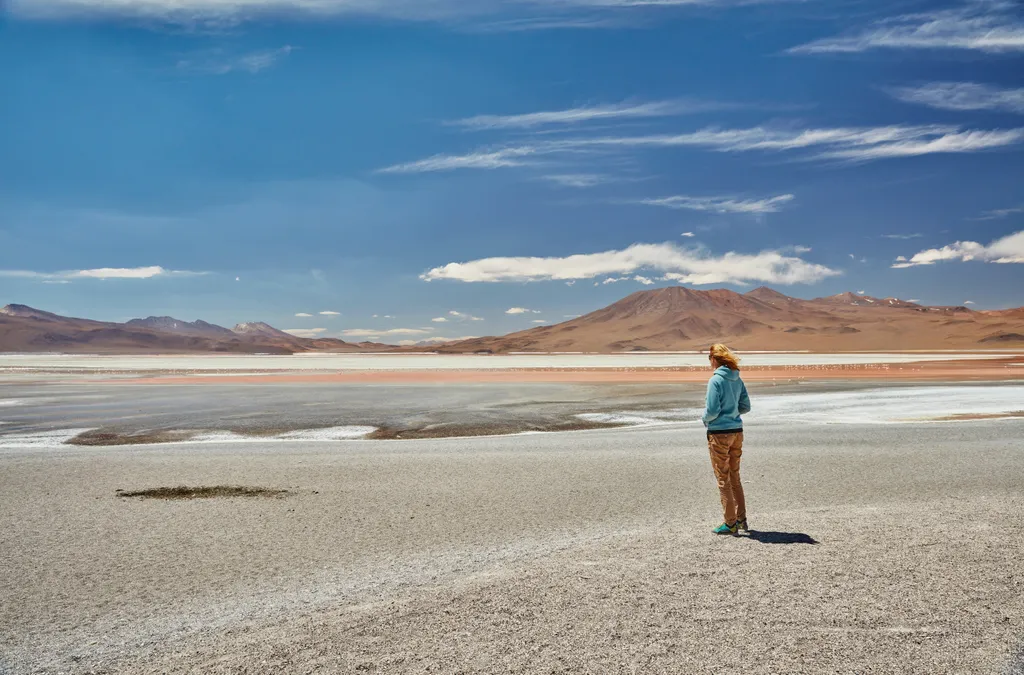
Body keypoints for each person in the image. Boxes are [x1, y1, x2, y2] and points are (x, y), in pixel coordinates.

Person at [701, 343, 751, 536]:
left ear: (714, 359)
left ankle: (730, 523)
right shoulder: (737, 379)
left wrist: (705, 419)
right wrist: (732, 413)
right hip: (737, 431)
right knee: (734, 476)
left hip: (719, 434)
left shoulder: (715, 381)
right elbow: (745, 406)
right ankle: (741, 519)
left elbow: (712, 411)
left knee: (723, 478)